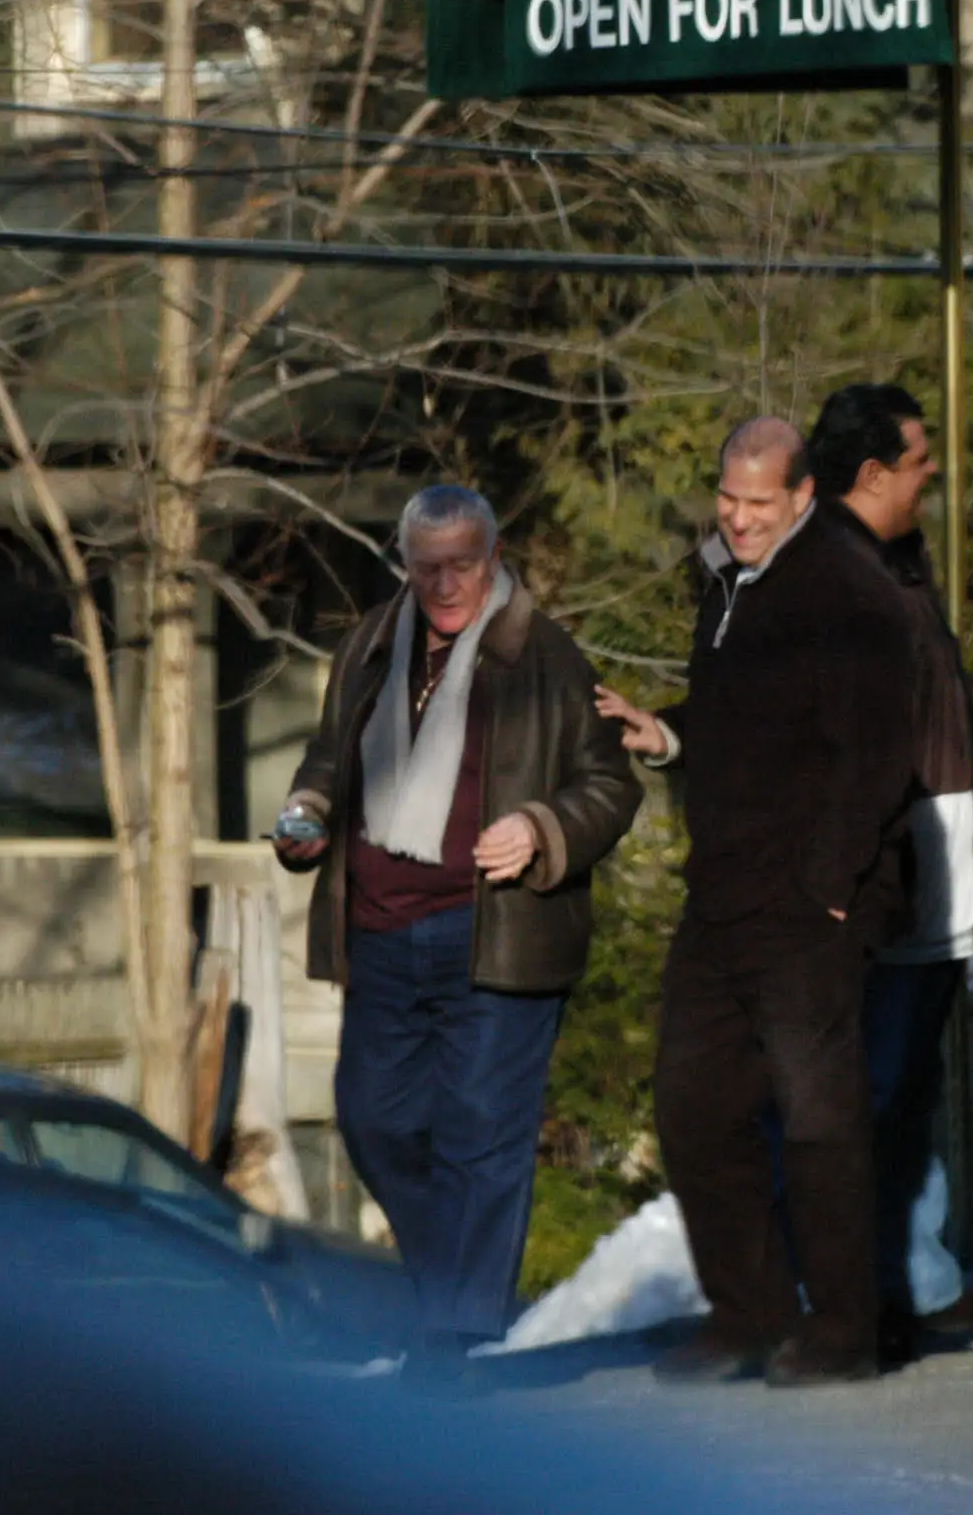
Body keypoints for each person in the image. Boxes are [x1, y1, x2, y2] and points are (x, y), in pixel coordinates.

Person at [275, 485, 642, 1377]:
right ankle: (456, 1289)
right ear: (403, 559)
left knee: (482, 1130)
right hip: (378, 934)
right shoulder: (370, 642)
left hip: (495, 933)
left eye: (462, 565)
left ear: (495, 553)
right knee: (373, 1122)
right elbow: (331, 751)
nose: (444, 585)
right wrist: (309, 807)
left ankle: (457, 1338)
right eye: (425, 565)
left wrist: (542, 830)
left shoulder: (545, 655)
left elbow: (611, 784)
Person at [597, 418, 921, 1387]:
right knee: (693, 1105)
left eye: (757, 503)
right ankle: (748, 1311)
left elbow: (876, 750)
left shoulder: (848, 591)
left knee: (819, 1118)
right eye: (727, 499)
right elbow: (741, 714)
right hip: (724, 889)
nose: (736, 518)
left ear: (802, 496)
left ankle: (842, 1327)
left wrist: (827, 886)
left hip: (806, 897)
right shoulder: (730, 582)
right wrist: (665, 733)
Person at [804, 383, 973, 1363]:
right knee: (870, 1088)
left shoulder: (898, 562)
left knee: (908, 1081)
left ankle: (914, 1277)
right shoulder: (831, 576)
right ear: (872, 471)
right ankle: (854, 1290)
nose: (934, 473)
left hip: (934, 870)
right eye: (918, 459)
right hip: (880, 879)